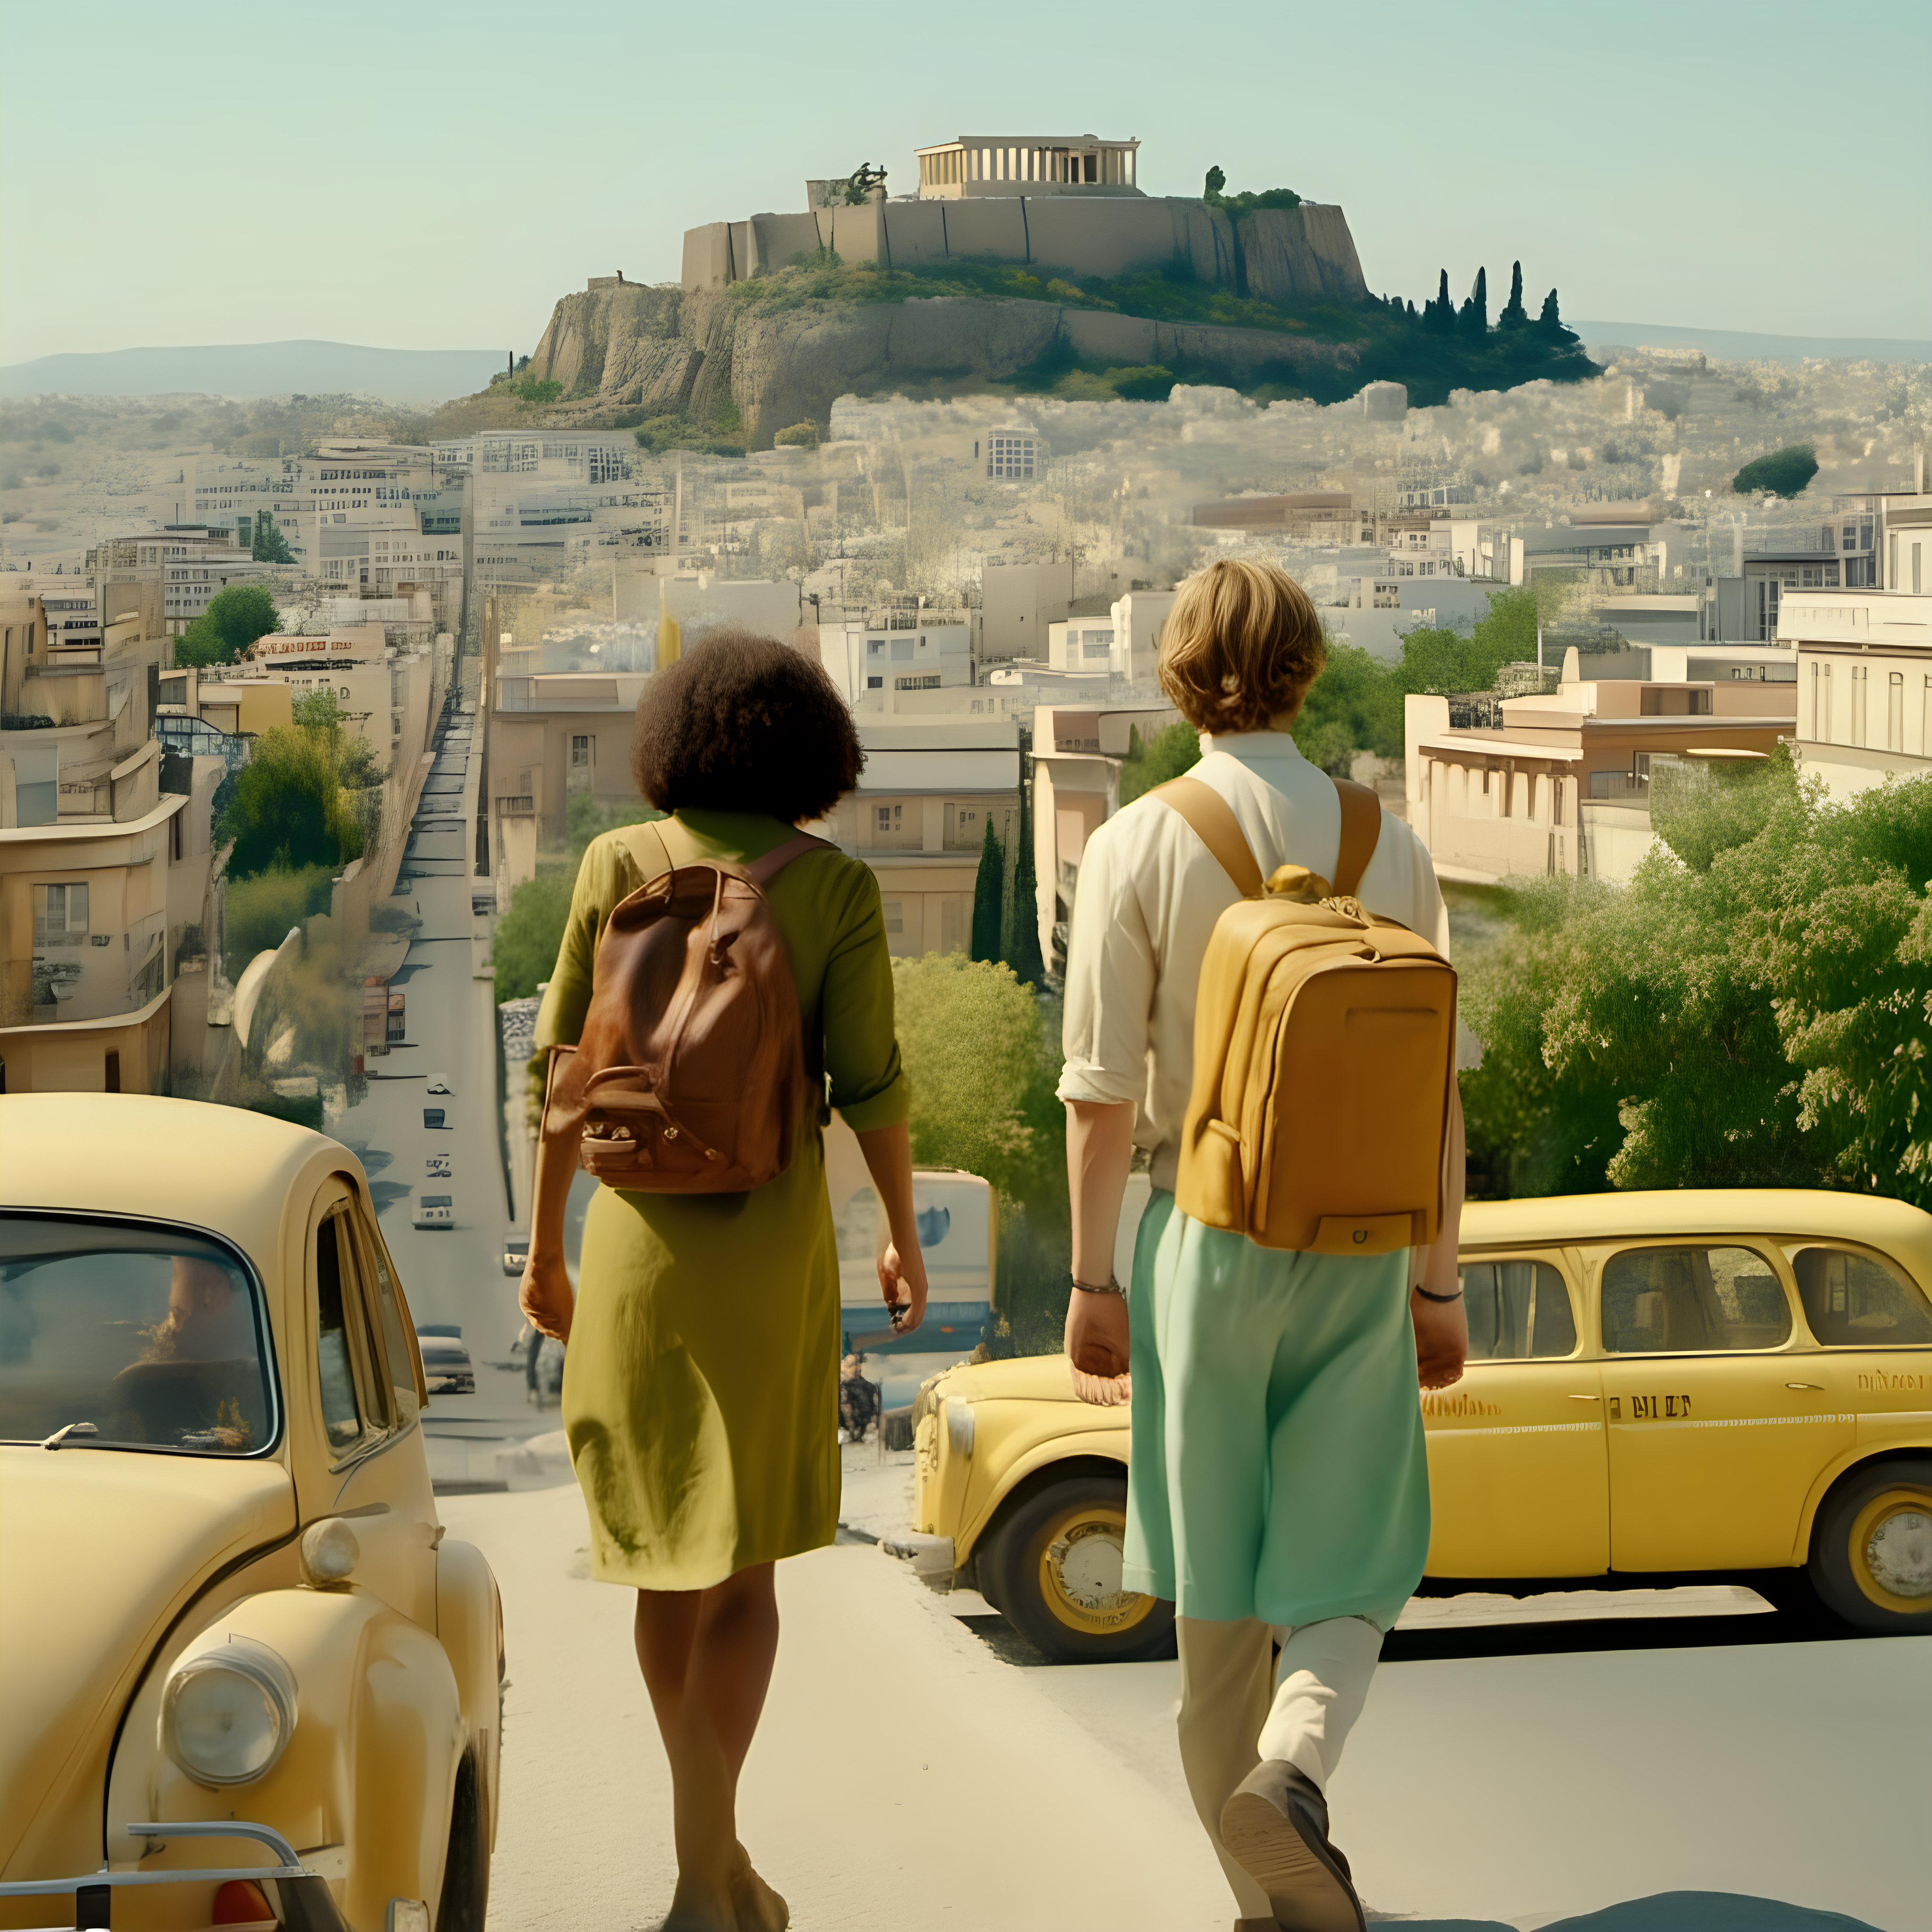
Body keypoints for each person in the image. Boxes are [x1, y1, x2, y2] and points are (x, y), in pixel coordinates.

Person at [1056, 558, 1468, 1932]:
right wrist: (1439, 1285)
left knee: (1216, 1612)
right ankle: (1295, 1771)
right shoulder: (1385, 839)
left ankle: (1261, 1907)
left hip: (1200, 1240)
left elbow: (1103, 1100)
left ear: (1178, 674)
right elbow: (1435, 1094)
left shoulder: (1139, 839)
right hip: (1358, 1243)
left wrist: (1091, 1282)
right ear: (1308, 666)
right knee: (1354, 1566)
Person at [518, 630, 927, 1932]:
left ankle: (713, 1867)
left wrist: (544, 1244)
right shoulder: (835, 887)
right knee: (746, 1575)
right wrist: (902, 1232)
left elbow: (559, 1078)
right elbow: (873, 1086)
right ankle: (711, 1878)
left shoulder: (613, 864)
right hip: (768, 1241)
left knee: (663, 1572)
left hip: (635, 1240)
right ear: (813, 748)